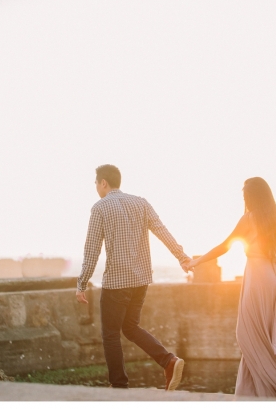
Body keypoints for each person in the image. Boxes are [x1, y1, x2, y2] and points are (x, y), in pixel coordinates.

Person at [76, 164, 192, 391]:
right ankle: (168, 361)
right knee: (130, 327)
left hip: (117, 283)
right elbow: (161, 230)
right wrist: (181, 257)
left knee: (110, 334)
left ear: (103, 183)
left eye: (96, 184)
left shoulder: (100, 207)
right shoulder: (141, 202)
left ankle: (118, 386)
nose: (96, 188)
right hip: (141, 281)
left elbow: (91, 250)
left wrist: (81, 284)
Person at [184, 177, 276, 398]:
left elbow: (225, 245)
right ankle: (252, 390)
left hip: (258, 278)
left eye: (246, 195)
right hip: (274, 277)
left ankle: (274, 384)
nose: (244, 198)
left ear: (251, 196)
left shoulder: (249, 218)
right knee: (263, 336)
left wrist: (196, 261)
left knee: (247, 334)